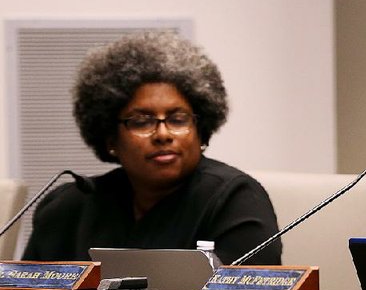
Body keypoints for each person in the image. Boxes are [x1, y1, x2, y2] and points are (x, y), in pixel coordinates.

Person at [23, 31, 281, 265]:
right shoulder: (69, 207)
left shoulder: (235, 200)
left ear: (200, 130)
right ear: (111, 138)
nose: (163, 134)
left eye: (178, 119)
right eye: (141, 121)